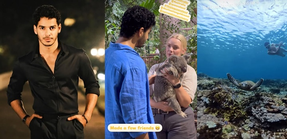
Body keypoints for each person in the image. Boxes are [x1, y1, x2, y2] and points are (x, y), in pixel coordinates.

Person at [6, 5, 100, 139]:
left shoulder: (77, 56)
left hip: (71, 127)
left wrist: (86, 116)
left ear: (59, 28)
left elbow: (92, 85)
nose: (47, 33)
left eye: (52, 27)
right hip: (41, 128)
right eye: (42, 28)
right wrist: (26, 119)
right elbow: (12, 93)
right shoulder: (25, 63)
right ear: (35, 29)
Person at [105, 6, 157, 139]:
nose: (147, 37)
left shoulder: (108, 54)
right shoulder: (133, 63)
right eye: (148, 32)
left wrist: (144, 81)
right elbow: (137, 123)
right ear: (140, 31)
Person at [148, 33, 197, 139]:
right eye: (169, 46)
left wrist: (175, 82)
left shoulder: (189, 71)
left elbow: (185, 102)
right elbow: (143, 97)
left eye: (175, 47)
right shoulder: (155, 68)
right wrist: (158, 105)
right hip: (156, 118)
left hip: (180, 120)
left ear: (183, 51)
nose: (171, 50)